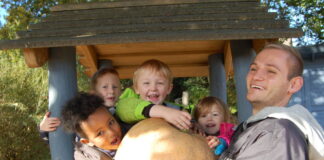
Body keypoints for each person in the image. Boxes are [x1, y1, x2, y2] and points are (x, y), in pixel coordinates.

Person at [219, 43, 324, 160]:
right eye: (253, 68)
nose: (256, 76)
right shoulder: (255, 127)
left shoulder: (277, 133)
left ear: (294, 85)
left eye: (271, 71)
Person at [39, 67, 122, 141]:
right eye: (105, 87)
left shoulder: (121, 114)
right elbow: (63, 131)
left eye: (115, 87)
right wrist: (43, 130)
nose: (111, 91)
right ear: (93, 93)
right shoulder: (84, 113)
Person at [116, 59, 192, 130]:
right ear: (137, 88)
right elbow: (122, 108)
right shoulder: (128, 104)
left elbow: (186, 123)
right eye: (146, 83)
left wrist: (193, 125)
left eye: (160, 83)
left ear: (169, 88)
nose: (153, 88)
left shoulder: (174, 110)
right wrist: (165, 112)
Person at [61, 92, 122, 160]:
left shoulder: (127, 126)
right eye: (100, 133)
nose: (111, 132)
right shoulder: (87, 157)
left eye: (111, 123)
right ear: (87, 142)